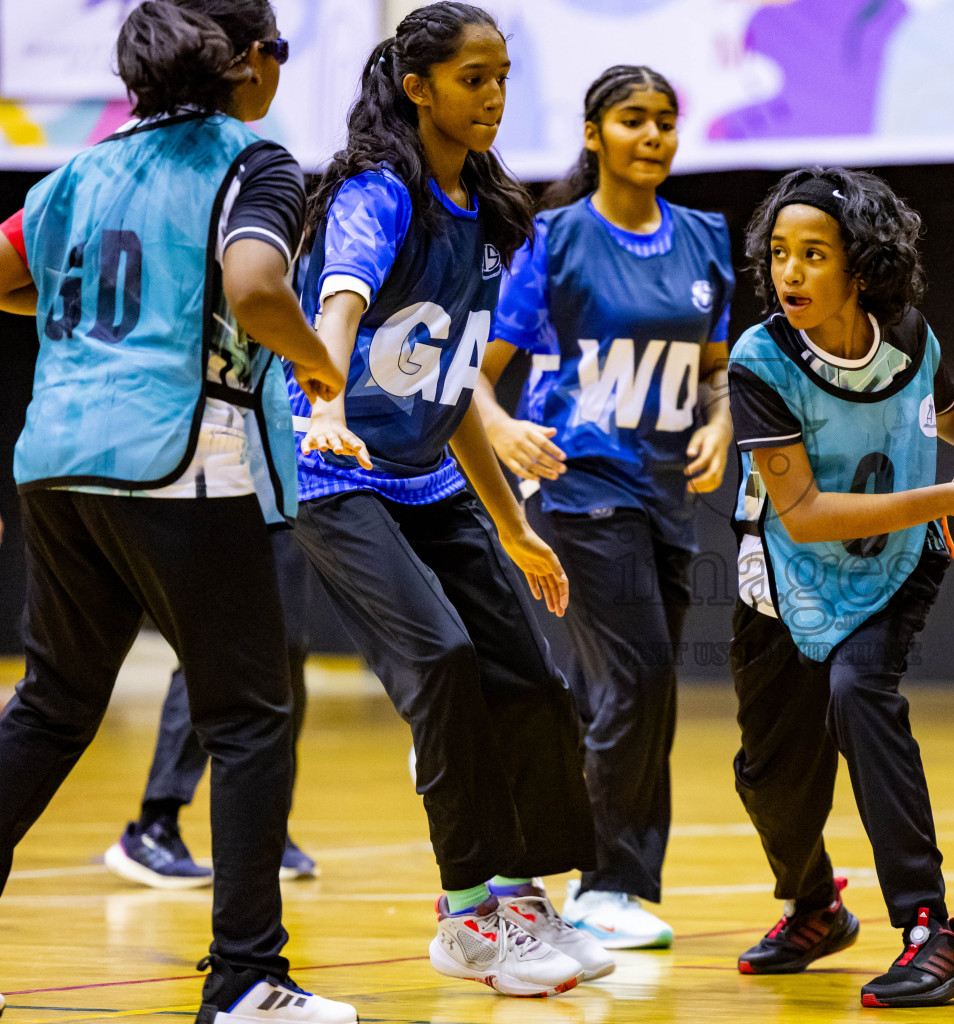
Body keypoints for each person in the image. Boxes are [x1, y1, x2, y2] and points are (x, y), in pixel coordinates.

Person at [0, 2, 356, 1021]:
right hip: (183, 459)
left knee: (53, 706)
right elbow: (253, 286)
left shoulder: (77, 168)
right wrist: (317, 360)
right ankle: (247, 979)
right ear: (248, 62)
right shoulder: (255, 160)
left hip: (59, 461)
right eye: (278, 53)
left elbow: (4, 273)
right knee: (248, 717)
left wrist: (94, 319)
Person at [290, 1, 609, 995]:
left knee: (532, 677)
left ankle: (520, 894)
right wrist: (327, 386)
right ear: (418, 84)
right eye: (475, 77)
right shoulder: (377, 194)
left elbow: (454, 384)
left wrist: (514, 526)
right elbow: (341, 295)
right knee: (443, 660)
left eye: (503, 76)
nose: (496, 97)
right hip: (335, 475)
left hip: (429, 478)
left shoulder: (484, 212)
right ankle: (464, 914)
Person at [726, 166, 954, 1007]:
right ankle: (815, 906)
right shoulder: (760, 361)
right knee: (769, 781)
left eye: (813, 254)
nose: (790, 273)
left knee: (861, 692)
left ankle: (933, 932)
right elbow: (807, 515)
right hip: (783, 579)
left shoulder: (909, 337)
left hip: (893, 562)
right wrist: (952, 495)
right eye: (779, 253)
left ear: (862, 265)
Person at [478, 63, 735, 949]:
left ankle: (506, 779)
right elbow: (474, 380)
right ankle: (605, 882)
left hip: (666, 492)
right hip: (579, 485)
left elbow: (716, 369)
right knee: (642, 675)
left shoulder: (705, 238)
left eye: (667, 119)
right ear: (595, 135)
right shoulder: (556, 239)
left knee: (611, 690)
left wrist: (722, 424)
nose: (654, 135)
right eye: (634, 119)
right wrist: (503, 433)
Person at [104, 531, 319, 889]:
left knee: (286, 646)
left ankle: (265, 828)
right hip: (212, 493)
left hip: (285, 495)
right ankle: (155, 826)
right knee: (210, 646)